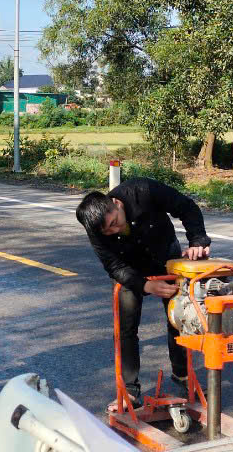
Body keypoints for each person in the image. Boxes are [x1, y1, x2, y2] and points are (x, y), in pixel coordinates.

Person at [75, 177, 212, 412]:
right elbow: (113, 265)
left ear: (116, 203)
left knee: (178, 319)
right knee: (126, 327)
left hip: (165, 258)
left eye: (116, 222)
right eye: (108, 231)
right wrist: (145, 285)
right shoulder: (95, 227)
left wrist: (197, 240)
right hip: (130, 273)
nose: (116, 230)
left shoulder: (144, 190)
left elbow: (186, 207)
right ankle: (129, 389)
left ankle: (182, 376)